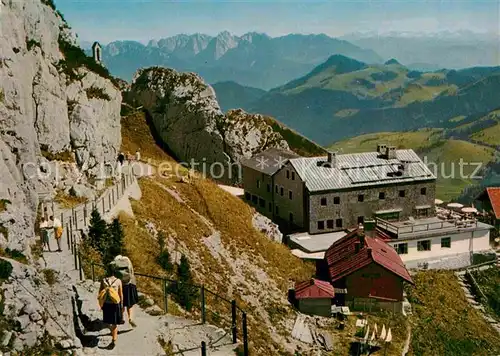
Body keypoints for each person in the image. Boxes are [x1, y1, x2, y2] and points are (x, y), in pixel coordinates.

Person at [99, 264, 123, 350]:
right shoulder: (118, 281)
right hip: (115, 304)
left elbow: (100, 293)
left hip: (106, 304)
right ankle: (114, 340)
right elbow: (121, 295)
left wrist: (100, 305)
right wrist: (121, 305)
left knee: (108, 322)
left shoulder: (103, 280)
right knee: (115, 323)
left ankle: (112, 333)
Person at [111, 255, 138, 327]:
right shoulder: (127, 260)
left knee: (121, 302)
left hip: (120, 285)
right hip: (129, 284)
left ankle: (122, 318)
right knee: (130, 304)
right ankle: (130, 318)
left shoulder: (115, 263)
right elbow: (131, 272)